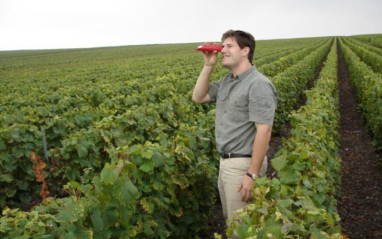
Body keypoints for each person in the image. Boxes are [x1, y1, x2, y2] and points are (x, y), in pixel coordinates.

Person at [192, 30, 278, 236]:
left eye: (229, 46)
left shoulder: (258, 84)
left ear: (245, 51)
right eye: (223, 45)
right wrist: (208, 65)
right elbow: (198, 97)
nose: (223, 50)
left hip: (243, 166)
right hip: (227, 163)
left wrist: (252, 174)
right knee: (233, 222)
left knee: (242, 229)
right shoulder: (227, 81)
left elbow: (264, 131)